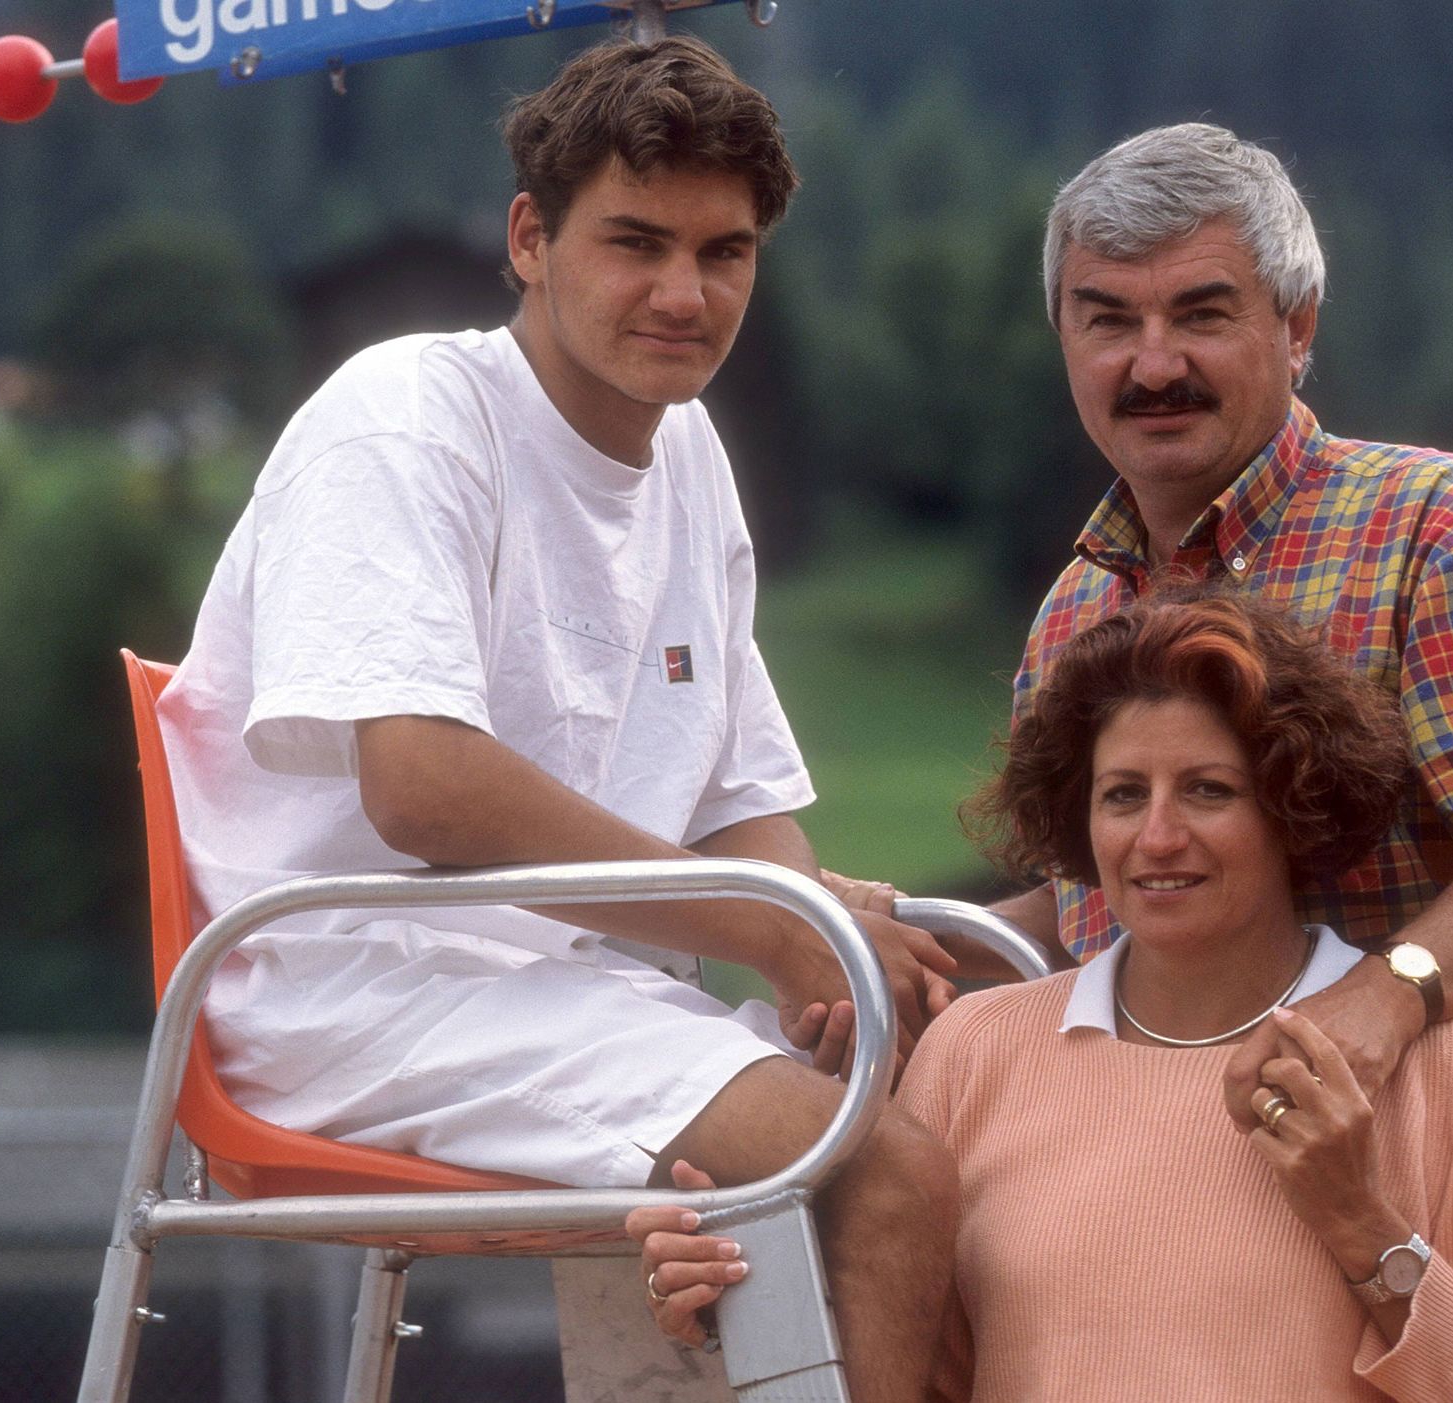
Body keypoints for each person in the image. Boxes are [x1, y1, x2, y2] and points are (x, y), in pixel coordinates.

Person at [800, 121, 1453, 1391]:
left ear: (1298, 322)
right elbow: (1095, 906)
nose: (1150, 361)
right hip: (1145, 1184)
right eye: (1106, 319)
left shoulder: (1435, 520)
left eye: (1199, 314)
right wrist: (895, 952)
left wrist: (1376, 1009)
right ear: (1061, 337)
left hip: (1445, 1170)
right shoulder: (1074, 613)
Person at [156, 38, 957, 1403]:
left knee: (968, 1106)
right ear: (529, 236)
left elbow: (735, 793)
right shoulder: (406, 418)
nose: (681, 293)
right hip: (348, 983)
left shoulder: (688, 453)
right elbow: (421, 786)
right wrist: (774, 927)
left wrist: (820, 951)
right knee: (878, 1171)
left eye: (724, 253)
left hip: (567, 986)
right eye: (633, 241)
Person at [640, 588, 1453, 1400]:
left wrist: (1358, 1218)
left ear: (1291, 808)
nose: (1155, 837)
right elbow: (917, 1381)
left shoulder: (1446, 1052)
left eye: (1206, 790)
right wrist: (746, 1302)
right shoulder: (975, 1050)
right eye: (1121, 794)